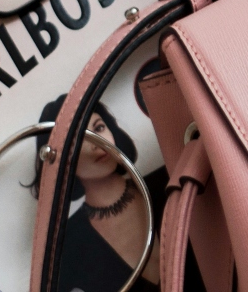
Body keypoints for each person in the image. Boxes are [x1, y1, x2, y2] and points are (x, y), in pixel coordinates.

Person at [32, 95, 160, 292]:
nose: (96, 143)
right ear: (58, 161)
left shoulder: (169, 181)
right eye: (77, 140)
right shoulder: (66, 246)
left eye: (99, 128)